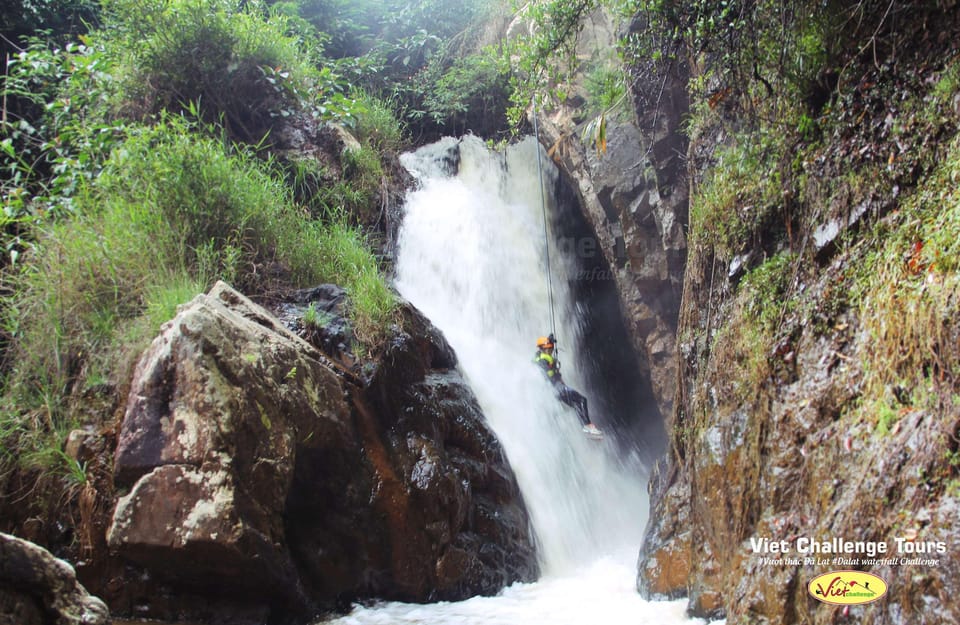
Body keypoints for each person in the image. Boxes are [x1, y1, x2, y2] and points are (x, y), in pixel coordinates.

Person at [533, 334, 602, 436]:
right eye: (549, 349)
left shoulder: (539, 358)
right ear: (544, 349)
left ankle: (585, 427)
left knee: (573, 405)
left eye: (551, 348)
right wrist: (555, 369)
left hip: (553, 391)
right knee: (581, 400)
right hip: (556, 389)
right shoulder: (543, 360)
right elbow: (549, 376)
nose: (551, 351)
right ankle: (587, 426)